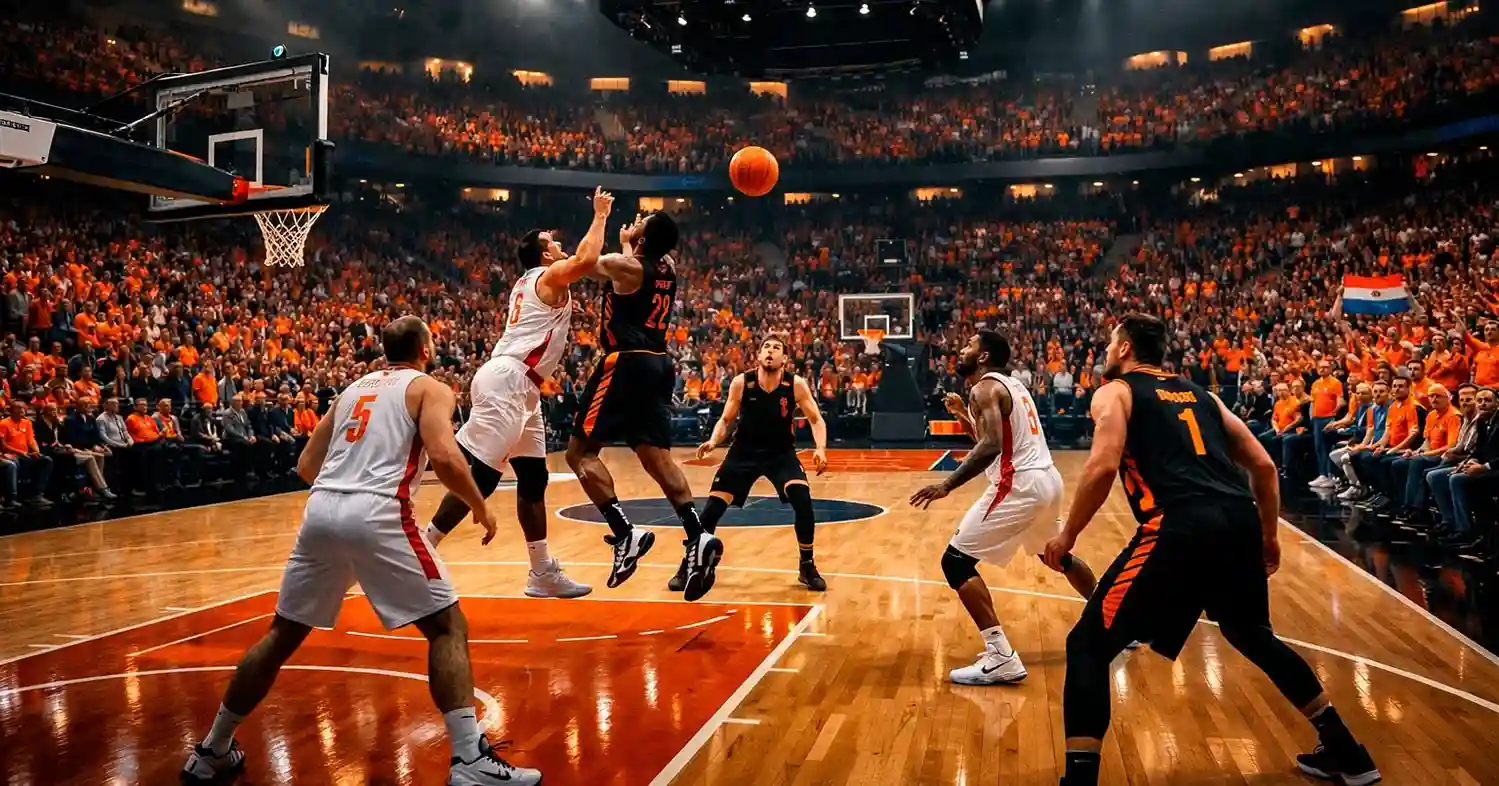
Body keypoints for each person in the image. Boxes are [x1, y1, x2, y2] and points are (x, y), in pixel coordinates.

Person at [182, 316, 540, 785]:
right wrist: (480, 506)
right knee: (447, 627)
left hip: (322, 509)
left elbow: (306, 463)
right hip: (379, 511)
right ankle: (470, 760)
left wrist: (344, 496)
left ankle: (213, 750)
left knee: (282, 634)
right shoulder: (430, 388)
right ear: (426, 349)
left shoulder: (351, 390)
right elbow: (447, 457)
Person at [1041, 314, 1378, 786]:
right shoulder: (1205, 396)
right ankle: (1348, 751)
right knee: (1252, 634)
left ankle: (1079, 780)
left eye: (1109, 342)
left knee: (1088, 645)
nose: (1104, 350)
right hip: (1238, 519)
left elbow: (1101, 464)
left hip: (1179, 522)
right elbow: (1262, 465)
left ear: (1124, 349)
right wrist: (1268, 534)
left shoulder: (1115, 392)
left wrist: (1067, 536)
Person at [427, 187, 614, 601]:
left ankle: (540, 572)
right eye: (554, 243)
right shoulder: (545, 275)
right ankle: (422, 548)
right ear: (545, 255)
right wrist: (600, 216)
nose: (560, 245)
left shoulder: (539, 281)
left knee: (534, 478)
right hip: (508, 380)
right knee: (483, 475)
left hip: (523, 387)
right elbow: (585, 260)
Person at [909, 331, 1101, 686]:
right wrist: (963, 417)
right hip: (1045, 478)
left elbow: (993, 446)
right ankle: (1114, 620)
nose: (961, 349)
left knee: (955, 561)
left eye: (968, 345)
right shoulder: (1010, 385)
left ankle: (1000, 657)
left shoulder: (982, 388)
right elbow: (990, 439)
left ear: (983, 357)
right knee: (1055, 555)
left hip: (1020, 485)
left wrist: (946, 485)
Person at [564, 212, 710, 594]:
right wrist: (632, 241)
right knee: (656, 457)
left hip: (625, 361)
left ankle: (624, 533)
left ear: (647, 236)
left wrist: (598, 218)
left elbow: (585, 263)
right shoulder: (669, 267)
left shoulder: (626, 266)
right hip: (659, 363)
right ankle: (698, 536)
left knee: (579, 454)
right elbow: (630, 276)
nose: (639, 218)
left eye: (644, 220)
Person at [691, 334, 831, 599]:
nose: (770, 351)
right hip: (743, 452)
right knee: (711, 509)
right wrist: (713, 440)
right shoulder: (742, 382)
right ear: (758, 355)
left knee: (802, 498)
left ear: (785, 359)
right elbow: (725, 418)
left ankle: (806, 565)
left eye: (776, 348)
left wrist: (820, 449)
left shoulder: (795, 384)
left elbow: (816, 419)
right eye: (766, 347)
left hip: (780, 453)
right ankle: (694, 564)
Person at [0, 400, 53, 506]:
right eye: (18, 408)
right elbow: (3, 446)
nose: (22, 410)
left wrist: (36, 451)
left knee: (46, 460)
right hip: (12, 454)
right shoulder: (4, 424)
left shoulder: (27, 423)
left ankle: (37, 494)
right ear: (11, 410)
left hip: (26, 454)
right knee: (14, 464)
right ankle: (11, 498)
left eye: (23, 408)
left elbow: (31, 440)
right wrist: (21, 453)